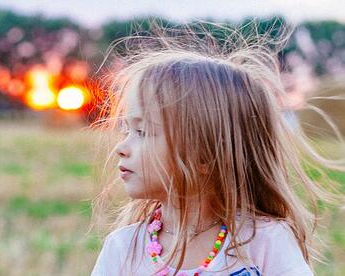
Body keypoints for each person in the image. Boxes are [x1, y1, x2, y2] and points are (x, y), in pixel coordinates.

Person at [89, 19, 345, 276]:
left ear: (204, 155)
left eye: (142, 132)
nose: (121, 147)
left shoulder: (265, 243)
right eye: (127, 130)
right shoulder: (122, 249)